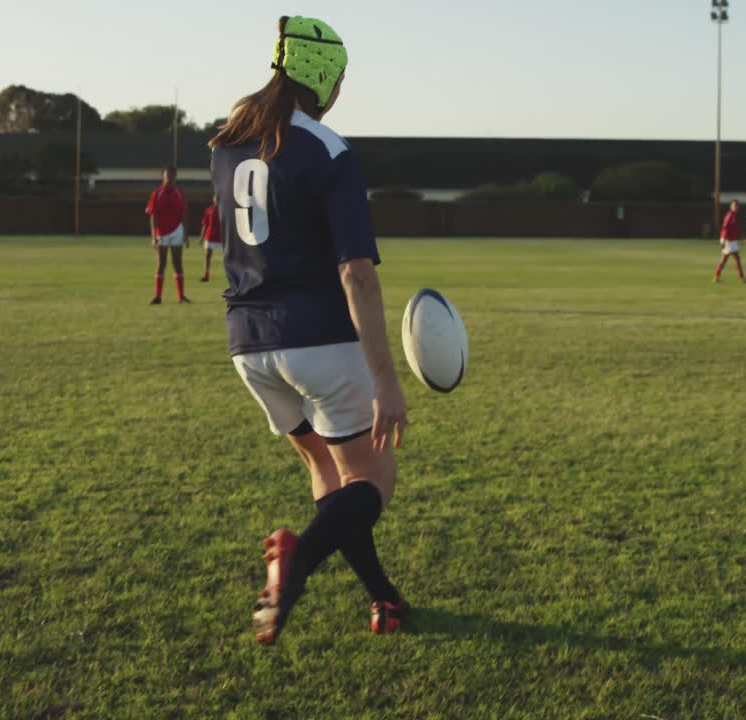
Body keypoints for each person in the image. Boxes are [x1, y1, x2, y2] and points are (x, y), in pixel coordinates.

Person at [210, 15, 409, 644]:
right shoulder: (327, 147)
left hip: (248, 344)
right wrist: (386, 379)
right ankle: (296, 563)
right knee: (373, 478)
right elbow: (357, 274)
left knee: (325, 468)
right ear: (323, 78)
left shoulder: (225, 143)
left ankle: (384, 598)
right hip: (318, 337)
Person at [146, 165, 191, 304]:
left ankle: (181, 296)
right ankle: (158, 296)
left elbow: (184, 214)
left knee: (178, 263)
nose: (170, 178)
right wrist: (154, 236)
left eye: (172, 175)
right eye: (167, 175)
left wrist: (186, 234)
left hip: (177, 230)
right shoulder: (157, 193)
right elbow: (152, 215)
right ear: (163, 176)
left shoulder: (179, 193)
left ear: (175, 176)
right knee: (161, 263)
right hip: (162, 232)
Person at [713, 199, 746, 283]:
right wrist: (723, 242)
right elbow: (725, 229)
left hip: (732, 240)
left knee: (725, 260)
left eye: (737, 205)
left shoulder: (735, 216)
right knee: (735, 259)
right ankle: (742, 278)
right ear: (731, 207)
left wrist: (744, 238)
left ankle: (716, 277)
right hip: (728, 240)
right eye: (734, 205)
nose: (736, 207)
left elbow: (738, 230)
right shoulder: (729, 216)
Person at [199, 195, 221, 282]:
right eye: (215, 198)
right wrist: (201, 236)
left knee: (227, 257)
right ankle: (206, 275)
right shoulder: (209, 209)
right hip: (210, 236)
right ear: (213, 199)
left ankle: (230, 276)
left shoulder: (224, 209)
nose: (217, 199)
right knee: (207, 256)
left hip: (221, 238)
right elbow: (205, 224)